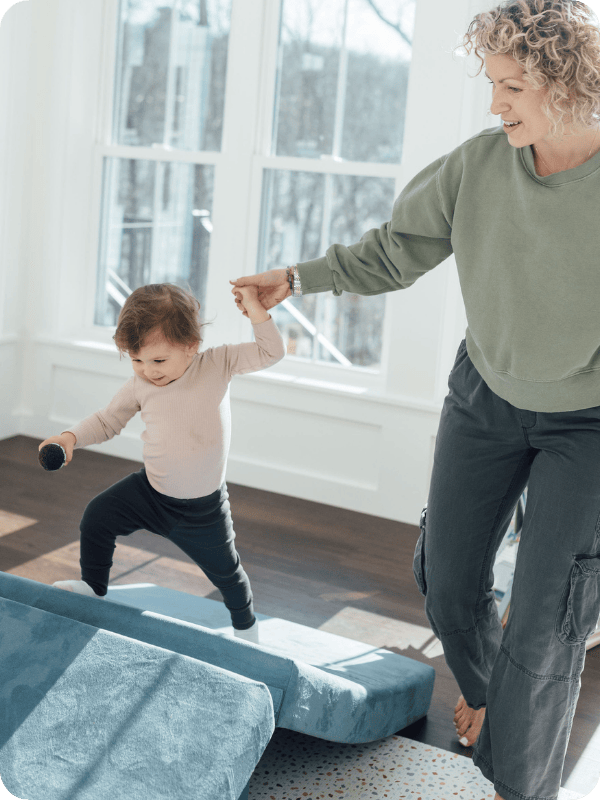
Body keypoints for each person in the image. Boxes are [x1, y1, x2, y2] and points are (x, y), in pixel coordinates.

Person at [230, 1, 600, 797]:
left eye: (512, 88)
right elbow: (399, 251)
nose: (496, 103)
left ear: (569, 87)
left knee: (546, 621)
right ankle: (494, 700)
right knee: (447, 576)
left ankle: (514, 781)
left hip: (589, 422)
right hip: (487, 392)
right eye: (492, 84)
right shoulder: (479, 164)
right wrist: (296, 278)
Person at [39, 283, 285, 643]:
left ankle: (246, 627)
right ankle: (94, 587)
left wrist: (256, 311)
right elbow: (108, 420)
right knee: (97, 516)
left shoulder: (218, 363)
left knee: (227, 574)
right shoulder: (140, 385)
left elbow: (271, 351)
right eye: (136, 360)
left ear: (191, 345)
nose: (147, 371)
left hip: (203, 509)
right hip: (151, 492)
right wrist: (69, 438)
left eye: (157, 360)